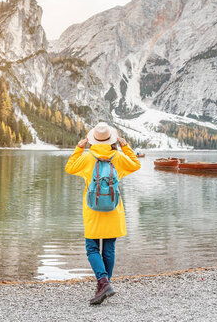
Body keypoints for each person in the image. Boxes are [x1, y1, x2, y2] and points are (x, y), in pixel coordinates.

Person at [65, 122, 141, 305]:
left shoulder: (87, 158)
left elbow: (69, 167)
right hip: (113, 211)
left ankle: (103, 282)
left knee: (92, 248)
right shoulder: (118, 158)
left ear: (92, 140)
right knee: (109, 249)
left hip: (92, 211)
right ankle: (105, 284)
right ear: (111, 139)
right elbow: (136, 165)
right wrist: (126, 146)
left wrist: (78, 148)